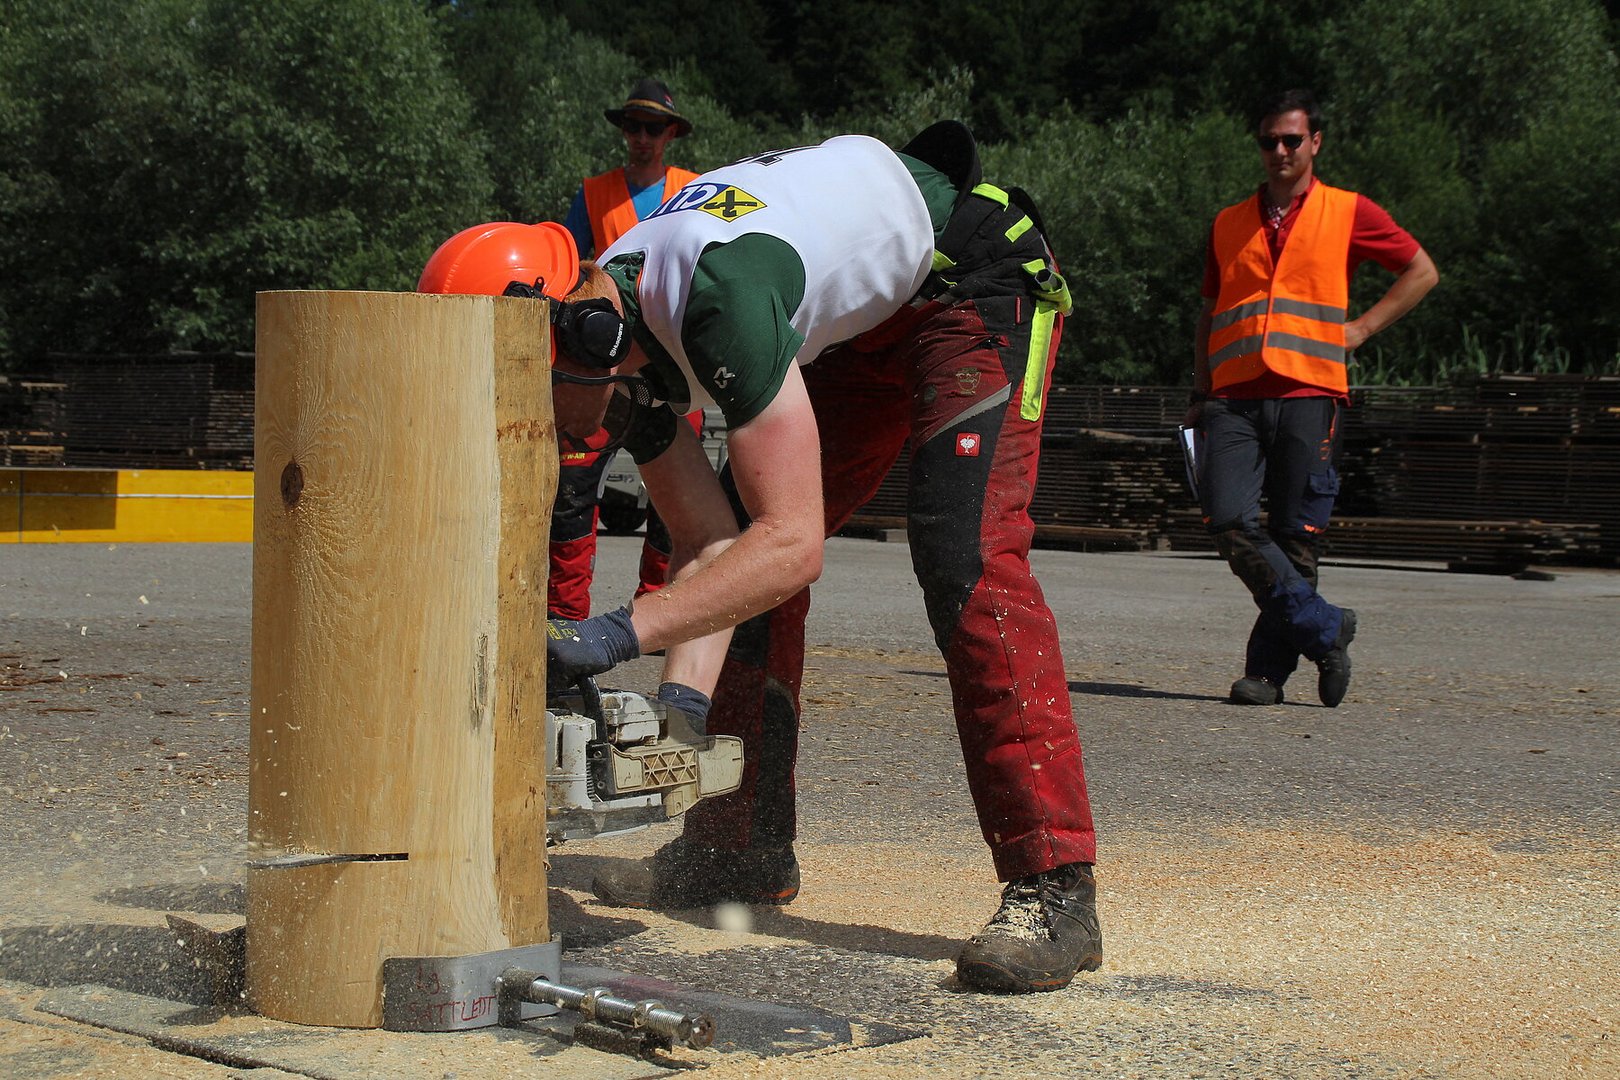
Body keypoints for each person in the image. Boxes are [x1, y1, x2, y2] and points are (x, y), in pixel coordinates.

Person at [531, 121, 1103, 995]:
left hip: (970, 278)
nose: (536, 419)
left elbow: (790, 546)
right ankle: (736, 849)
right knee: (748, 553)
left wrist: (606, 636)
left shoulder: (713, 296)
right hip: (863, 326)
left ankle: (1054, 889)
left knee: (967, 555)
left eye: (533, 389)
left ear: (583, 337)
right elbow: (717, 544)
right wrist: (679, 716)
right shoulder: (615, 311)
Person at [1188, 88, 1438, 708]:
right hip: (1234, 395)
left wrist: (1362, 330)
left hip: (1310, 390)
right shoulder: (1227, 222)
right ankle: (1327, 629)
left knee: (1296, 535)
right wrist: (1199, 390)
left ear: (1315, 142)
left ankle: (1266, 676)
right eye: (1268, 140)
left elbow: (1421, 270)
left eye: (1291, 140)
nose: (1279, 150)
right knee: (1227, 519)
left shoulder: (1348, 210)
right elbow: (1209, 312)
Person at [552, 78, 702, 620]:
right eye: (634, 126)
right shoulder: (593, 193)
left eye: (653, 127)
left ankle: (656, 613)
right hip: (602, 365)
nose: (642, 136)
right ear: (624, 131)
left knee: (675, 503)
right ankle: (564, 619)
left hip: (673, 364)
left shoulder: (695, 189)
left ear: (670, 134)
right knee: (573, 487)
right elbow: (564, 269)